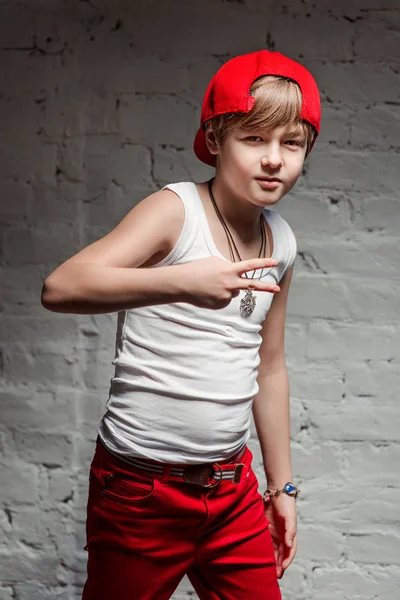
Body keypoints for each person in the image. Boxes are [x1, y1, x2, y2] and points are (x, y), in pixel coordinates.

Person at [41, 49, 321, 600]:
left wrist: (281, 486)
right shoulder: (176, 210)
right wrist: (182, 281)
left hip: (230, 491)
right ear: (215, 140)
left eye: (291, 143)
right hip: (139, 492)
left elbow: (270, 366)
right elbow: (61, 287)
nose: (273, 159)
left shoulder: (282, 240)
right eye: (254, 139)